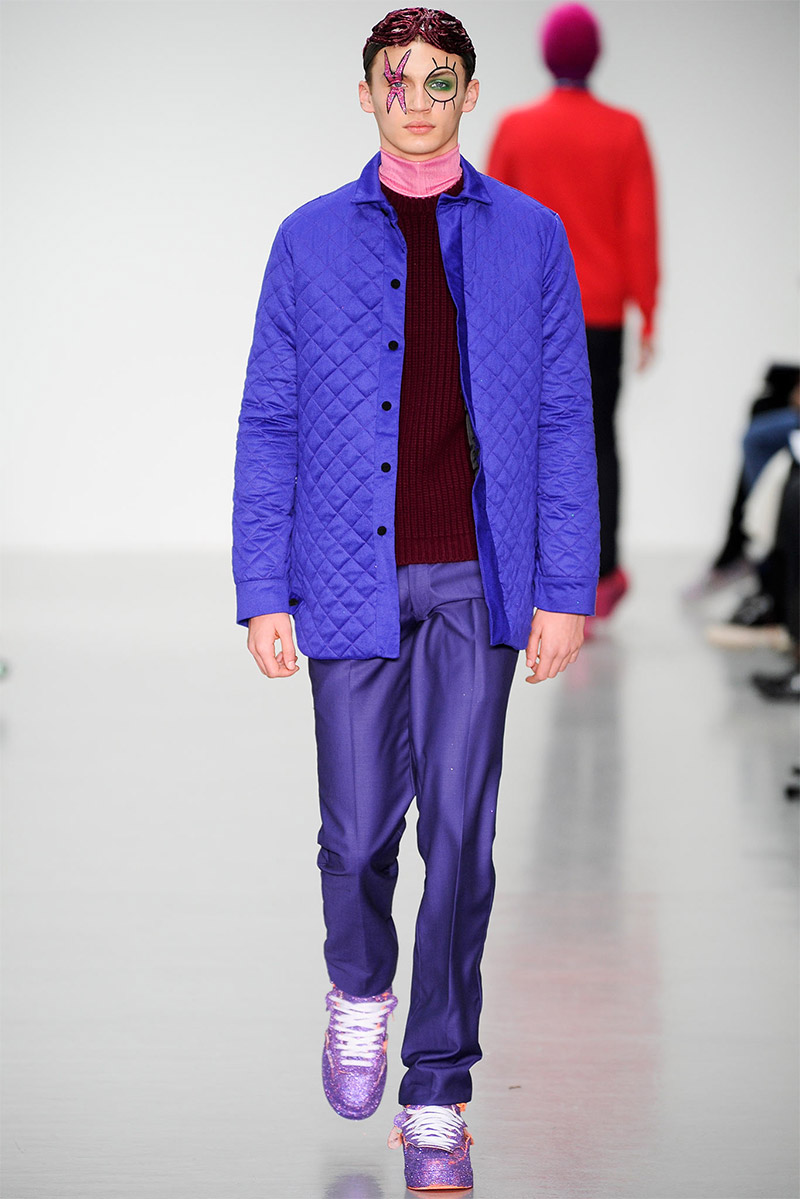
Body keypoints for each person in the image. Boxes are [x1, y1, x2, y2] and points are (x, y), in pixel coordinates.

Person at [232, 8, 599, 1190]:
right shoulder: (305, 240)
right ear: (364, 96)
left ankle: (437, 1088)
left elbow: (560, 418)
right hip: (344, 572)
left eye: (439, 81)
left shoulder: (531, 237)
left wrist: (563, 588)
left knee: (460, 835)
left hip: (475, 577)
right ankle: (358, 985)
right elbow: (270, 417)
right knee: (353, 835)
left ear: (469, 94)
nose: (417, 99)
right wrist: (261, 585)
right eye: (396, 80)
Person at [487, 2, 658, 628]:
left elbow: (488, 221)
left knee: (525, 437)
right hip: (602, 311)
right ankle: (602, 576)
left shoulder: (516, 129)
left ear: (546, 53)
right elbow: (639, 229)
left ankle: (530, 569)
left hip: (529, 310)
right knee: (596, 438)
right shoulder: (624, 131)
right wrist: (649, 311)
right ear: (596, 55)